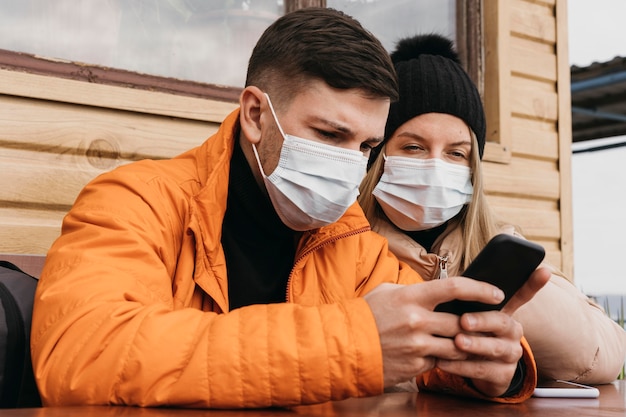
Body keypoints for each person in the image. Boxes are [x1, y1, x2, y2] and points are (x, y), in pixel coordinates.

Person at [31, 9, 550, 409]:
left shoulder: (352, 241)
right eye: (329, 134)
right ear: (256, 114)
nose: (351, 165)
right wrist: (356, 342)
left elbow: (417, 336)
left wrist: (487, 366)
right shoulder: (134, 200)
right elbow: (84, 354)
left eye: (367, 147)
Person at [359, 33, 626, 386]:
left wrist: (506, 300)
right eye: (413, 147)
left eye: (456, 153)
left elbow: (605, 355)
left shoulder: (499, 244)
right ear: (378, 156)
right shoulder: (346, 249)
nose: (436, 167)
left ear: (473, 171)